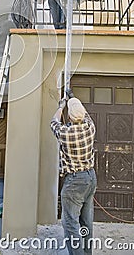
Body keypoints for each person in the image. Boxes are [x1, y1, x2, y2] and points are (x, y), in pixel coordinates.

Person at [50, 95, 97, 255]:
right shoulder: (90, 127)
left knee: (70, 223)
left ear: (69, 115)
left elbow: (53, 123)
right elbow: (87, 116)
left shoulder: (65, 133)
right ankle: (86, 252)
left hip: (75, 182)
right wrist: (75, 100)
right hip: (90, 178)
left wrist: (61, 106)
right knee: (86, 221)